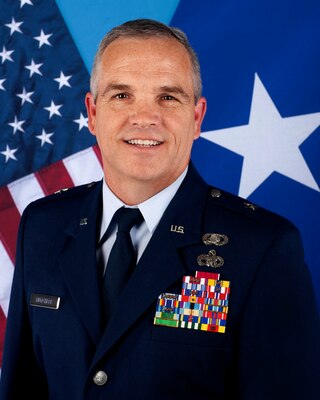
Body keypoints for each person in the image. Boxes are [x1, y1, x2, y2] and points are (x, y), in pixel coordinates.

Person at [0, 18, 319, 400]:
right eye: (122, 95)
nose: (145, 118)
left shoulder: (262, 248)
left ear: (197, 117)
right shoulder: (43, 226)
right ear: (93, 112)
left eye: (168, 97)